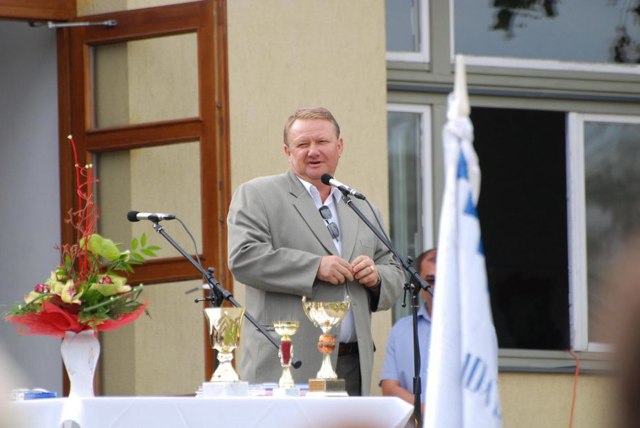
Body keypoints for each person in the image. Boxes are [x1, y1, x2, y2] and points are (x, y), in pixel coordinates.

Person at [227, 107, 404, 396]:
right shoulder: (258, 194)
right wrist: (315, 267)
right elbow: (244, 256)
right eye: (302, 144)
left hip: (352, 363)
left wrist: (376, 277)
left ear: (339, 146)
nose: (313, 151)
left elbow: (394, 268)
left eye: (322, 142)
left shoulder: (361, 205)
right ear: (287, 151)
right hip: (288, 363)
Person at [380, 248, 437, 409]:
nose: (437, 286)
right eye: (430, 280)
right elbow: (389, 388)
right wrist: (428, 413)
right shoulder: (401, 330)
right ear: (419, 283)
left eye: (445, 279)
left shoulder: (474, 331)